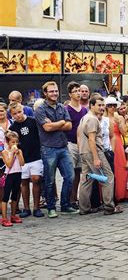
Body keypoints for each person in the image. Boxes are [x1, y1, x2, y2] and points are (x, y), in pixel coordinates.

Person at [35, 81, 78, 218]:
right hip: (48, 149)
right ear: (45, 93)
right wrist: (61, 123)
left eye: (56, 91)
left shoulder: (62, 107)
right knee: (50, 180)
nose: (54, 93)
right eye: (51, 91)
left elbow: (69, 126)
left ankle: (65, 205)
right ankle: (51, 207)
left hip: (63, 147)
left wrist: (55, 124)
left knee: (70, 177)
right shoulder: (40, 109)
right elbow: (46, 128)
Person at [77, 95, 123, 215]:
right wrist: (96, 158)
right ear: (92, 106)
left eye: (103, 105)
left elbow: (79, 136)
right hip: (93, 152)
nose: (102, 108)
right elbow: (92, 139)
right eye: (99, 105)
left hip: (84, 152)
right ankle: (109, 207)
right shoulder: (92, 119)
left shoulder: (84, 118)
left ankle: (84, 208)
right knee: (108, 177)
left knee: (86, 179)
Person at [9, 103, 44, 218]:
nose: (18, 115)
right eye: (14, 114)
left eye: (19, 112)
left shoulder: (33, 121)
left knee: (36, 179)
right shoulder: (12, 128)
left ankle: (37, 207)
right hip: (22, 158)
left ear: (23, 110)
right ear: (11, 115)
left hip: (36, 156)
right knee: (23, 182)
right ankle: (26, 208)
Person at [65, 82, 88, 209]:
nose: (79, 93)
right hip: (70, 144)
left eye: (79, 90)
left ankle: (76, 197)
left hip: (83, 144)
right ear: (70, 94)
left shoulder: (84, 110)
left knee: (80, 172)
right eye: (76, 91)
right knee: (71, 173)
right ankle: (69, 199)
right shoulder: (66, 109)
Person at [104, 97, 128, 202]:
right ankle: (108, 195)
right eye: (110, 105)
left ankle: (121, 193)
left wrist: (120, 123)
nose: (112, 108)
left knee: (120, 168)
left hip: (118, 143)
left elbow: (124, 133)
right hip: (106, 142)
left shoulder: (119, 117)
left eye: (114, 105)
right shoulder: (103, 117)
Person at [1, 131, 25, 227]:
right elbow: (9, 164)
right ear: (8, 143)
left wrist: (18, 154)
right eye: (13, 142)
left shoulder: (19, 151)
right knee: (6, 196)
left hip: (17, 174)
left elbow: (22, 163)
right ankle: (4, 218)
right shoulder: (4, 152)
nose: (15, 144)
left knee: (15, 195)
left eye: (16, 142)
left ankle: (13, 215)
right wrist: (12, 153)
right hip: (9, 175)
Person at [0, 102, 12, 205]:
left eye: (2, 110)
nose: (0, 113)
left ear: (6, 111)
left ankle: (15, 205)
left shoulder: (12, 123)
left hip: (12, 155)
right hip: (0, 156)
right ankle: (1, 203)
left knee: (15, 180)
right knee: (1, 182)